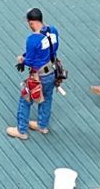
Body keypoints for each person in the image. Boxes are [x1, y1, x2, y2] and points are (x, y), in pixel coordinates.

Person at [9, 8, 61, 139]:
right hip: (52, 71)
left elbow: (30, 61)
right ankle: (42, 125)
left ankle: (21, 130)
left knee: (25, 100)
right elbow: (54, 48)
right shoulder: (52, 30)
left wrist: (22, 59)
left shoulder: (32, 40)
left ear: (32, 22)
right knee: (47, 98)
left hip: (39, 76)